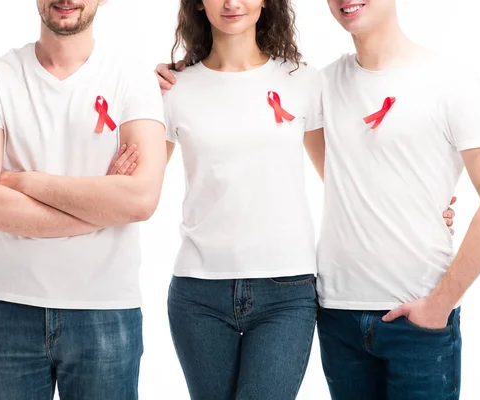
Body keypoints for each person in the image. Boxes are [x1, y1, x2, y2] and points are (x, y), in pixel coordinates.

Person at [0, 1, 166, 399]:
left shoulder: (131, 79)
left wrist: (26, 182)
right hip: (6, 309)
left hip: (106, 311)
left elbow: (140, 199)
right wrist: (102, 207)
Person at [314, 1, 480, 399]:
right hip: (338, 315)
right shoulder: (320, 85)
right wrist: (180, 74)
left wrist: (440, 304)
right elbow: (339, 176)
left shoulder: (450, 81)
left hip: (419, 319)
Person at [157, 0, 324, 399]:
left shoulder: (304, 81)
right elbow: (139, 185)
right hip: (199, 293)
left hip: (287, 290)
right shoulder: (173, 90)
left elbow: (341, 178)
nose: (232, 3)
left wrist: (422, 207)